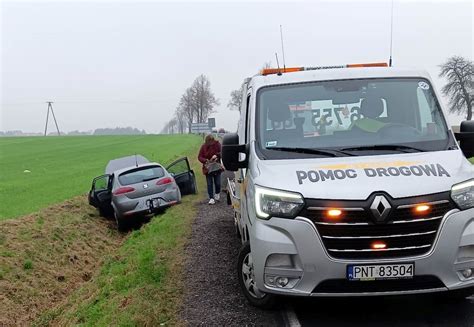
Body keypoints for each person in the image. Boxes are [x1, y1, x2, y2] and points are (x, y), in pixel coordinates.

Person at [198, 134, 223, 205]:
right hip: (208, 168)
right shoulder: (203, 147)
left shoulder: (218, 144)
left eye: (211, 141)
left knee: (218, 183)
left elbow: (222, 153)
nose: (210, 142)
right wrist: (205, 160)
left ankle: (217, 193)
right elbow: (199, 157)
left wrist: (217, 155)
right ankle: (211, 198)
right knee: (209, 184)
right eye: (209, 141)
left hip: (217, 167)